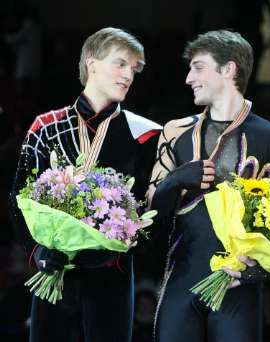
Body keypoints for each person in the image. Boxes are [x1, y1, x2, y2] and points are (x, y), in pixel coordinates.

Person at [147, 29, 270, 342]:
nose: (189, 78)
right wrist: (174, 181)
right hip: (181, 283)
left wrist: (257, 271)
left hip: (239, 288)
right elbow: (149, 219)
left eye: (198, 67)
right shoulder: (175, 132)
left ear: (229, 69)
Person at [9, 27, 161, 342]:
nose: (128, 75)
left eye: (133, 69)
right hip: (54, 270)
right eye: (120, 64)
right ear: (91, 64)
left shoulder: (145, 134)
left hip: (112, 278)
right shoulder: (46, 126)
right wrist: (37, 252)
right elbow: (18, 198)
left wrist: (120, 248)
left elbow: (149, 211)